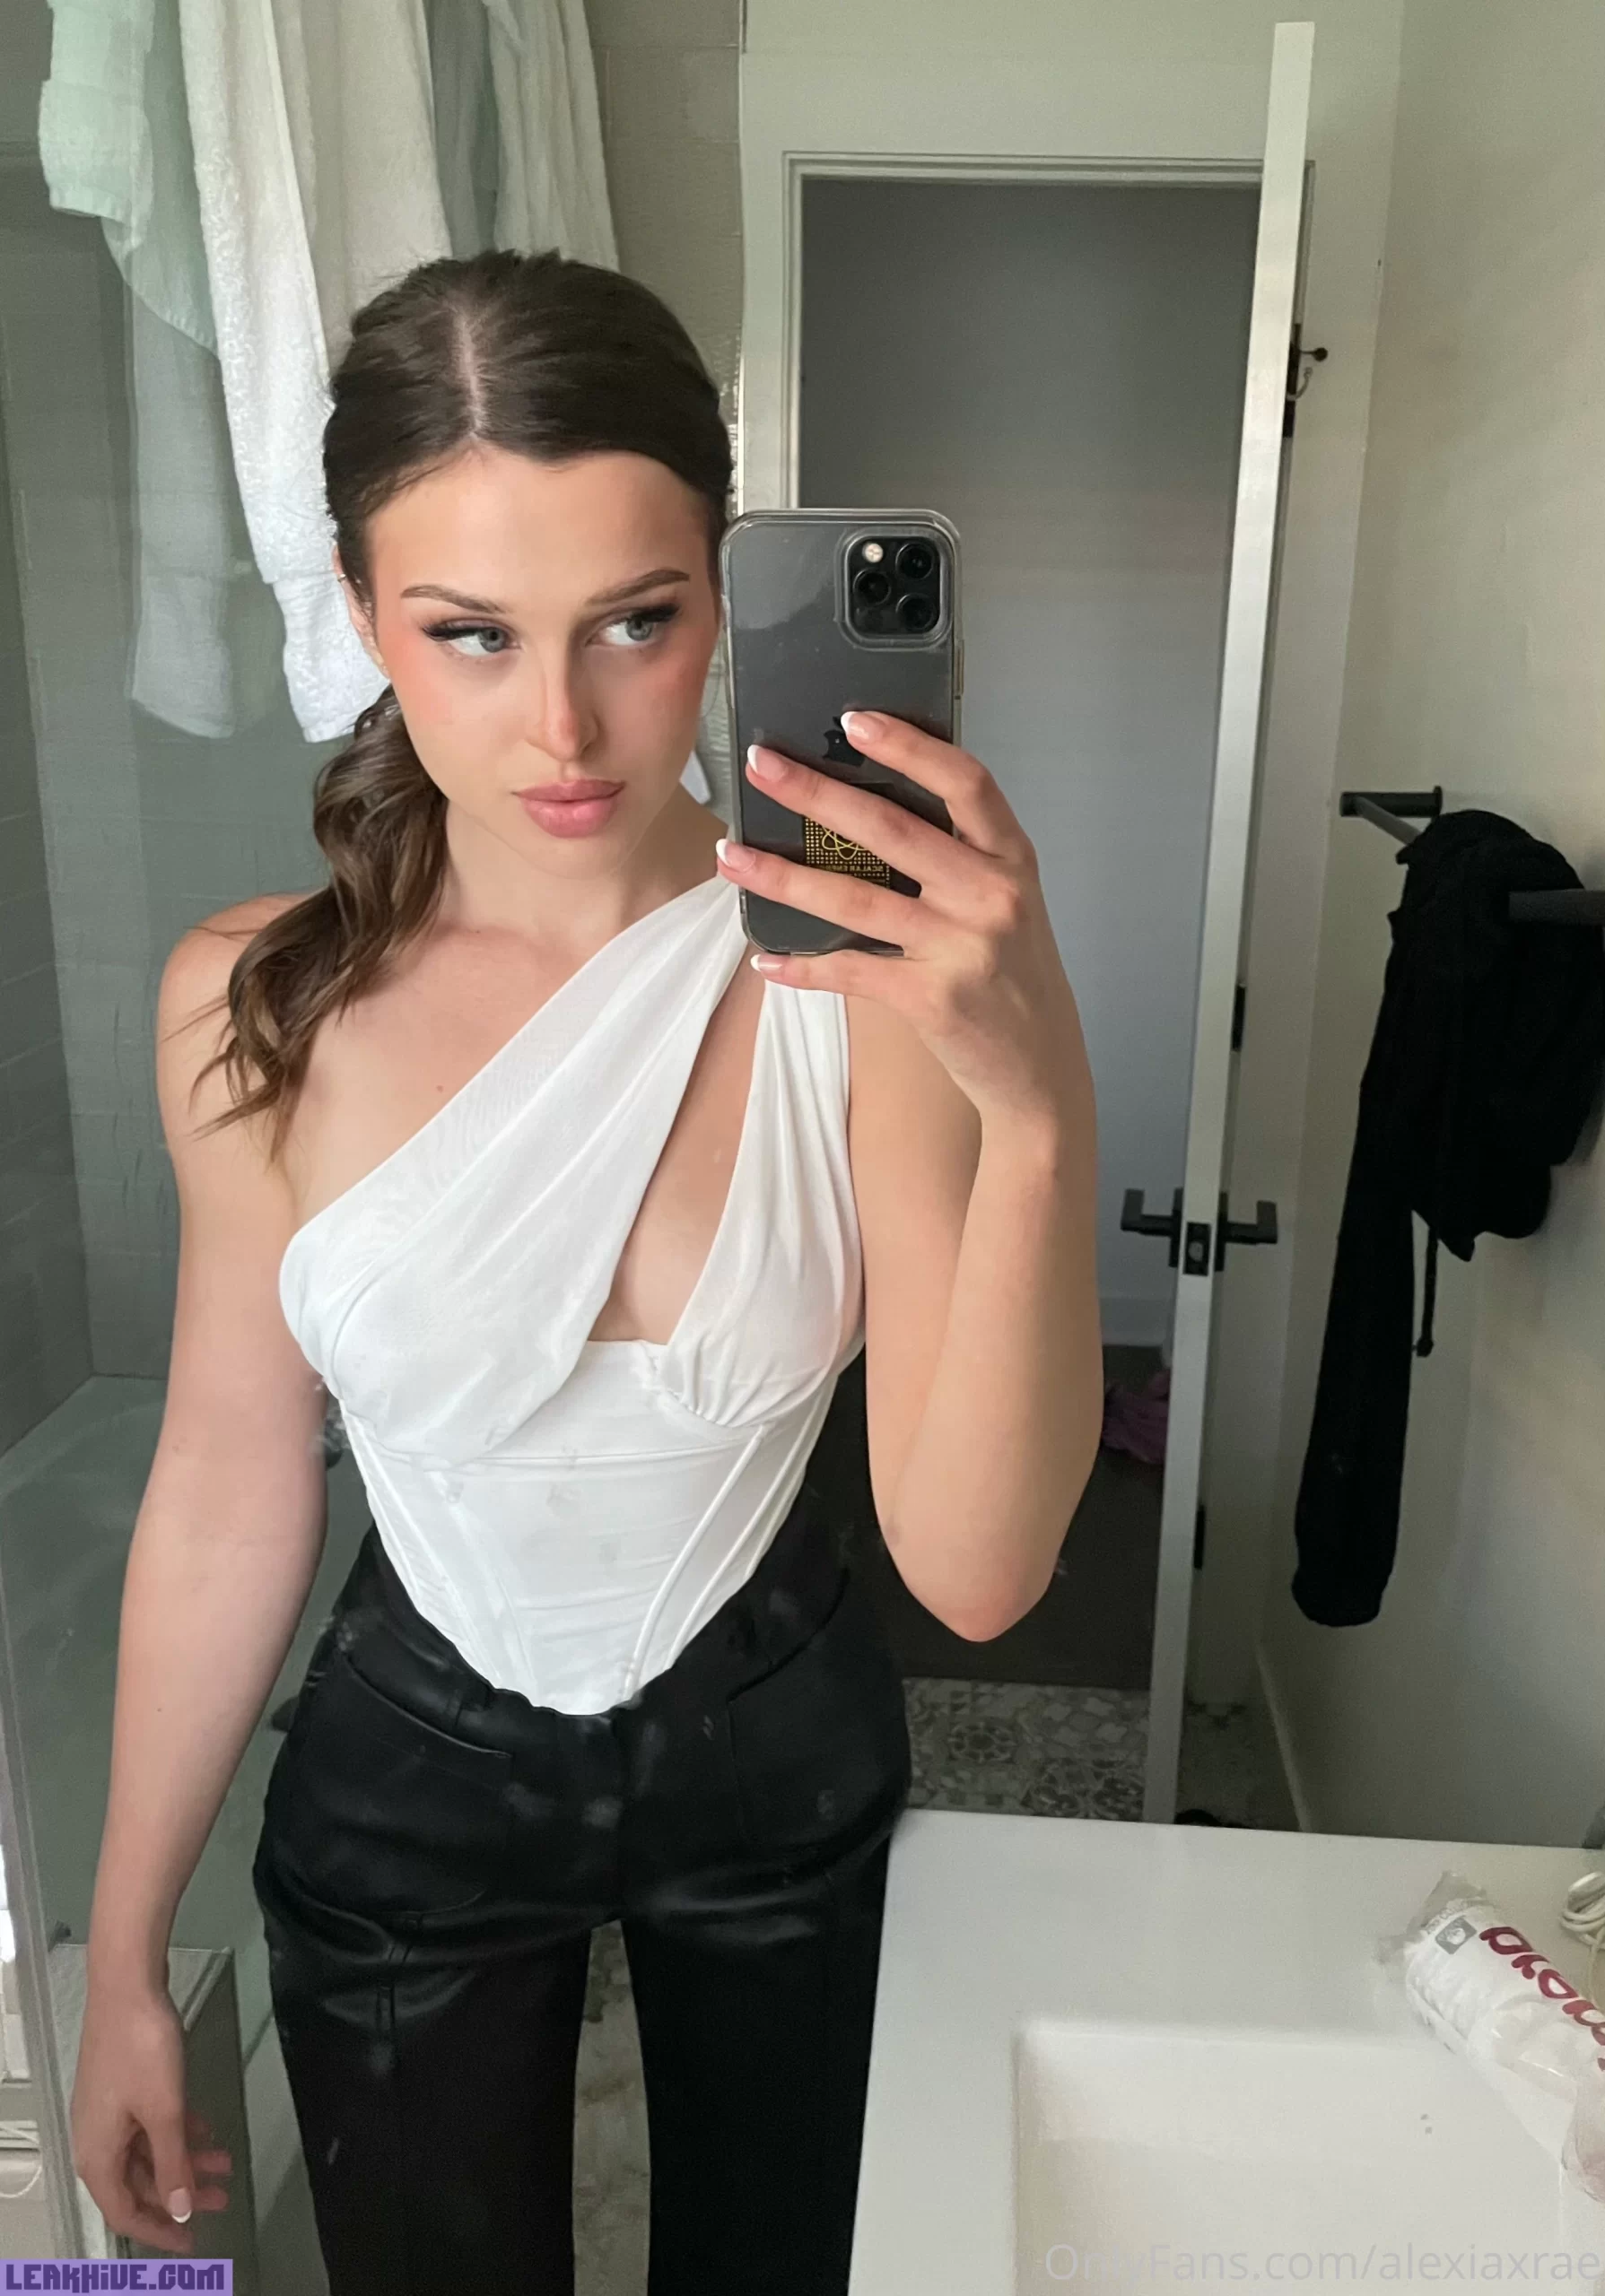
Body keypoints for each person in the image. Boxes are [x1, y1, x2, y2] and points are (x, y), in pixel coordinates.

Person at [69, 247, 1102, 2294]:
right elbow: (227, 1479)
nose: (561, 724)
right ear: (362, 609)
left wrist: (1043, 1101)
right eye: (469, 634)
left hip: (779, 1738)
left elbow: (982, 1574)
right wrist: (119, 1958)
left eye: (637, 620)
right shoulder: (251, 1002)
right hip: (406, 1779)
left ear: (721, 598)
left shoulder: (862, 983)